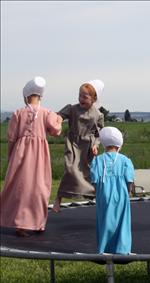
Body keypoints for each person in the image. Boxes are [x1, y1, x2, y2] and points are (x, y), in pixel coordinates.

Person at [0, 77, 63, 237]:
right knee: (40, 187)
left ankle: (20, 222)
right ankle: (37, 222)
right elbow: (56, 131)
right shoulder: (47, 113)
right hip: (40, 155)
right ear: (41, 96)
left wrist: (10, 156)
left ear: (26, 95)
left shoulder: (18, 113)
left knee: (20, 186)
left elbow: (12, 138)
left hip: (20, 153)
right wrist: (59, 119)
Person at [53, 80, 105, 212]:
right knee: (70, 170)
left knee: (87, 174)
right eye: (80, 95)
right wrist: (58, 120)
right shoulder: (72, 109)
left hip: (88, 147)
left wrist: (95, 145)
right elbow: (59, 115)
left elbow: (99, 133)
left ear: (93, 99)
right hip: (73, 143)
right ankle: (58, 198)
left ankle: (96, 196)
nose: (81, 99)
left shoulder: (98, 114)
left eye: (85, 97)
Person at [91, 126, 134, 254]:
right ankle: (122, 249)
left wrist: (98, 193)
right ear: (119, 144)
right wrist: (128, 192)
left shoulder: (97, 160)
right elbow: (129, 180)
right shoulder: (125, 160)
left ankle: (104, 249)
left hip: (103, 194)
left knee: (104, 221)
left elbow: (94, 180)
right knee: (122, 221)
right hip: (121, 193)